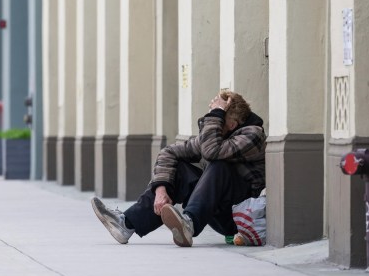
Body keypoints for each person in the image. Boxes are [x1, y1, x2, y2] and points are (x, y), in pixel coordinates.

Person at [91, 89, 266, 247]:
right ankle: (127, 224)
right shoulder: (216, 136)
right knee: (180, 170)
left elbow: (213, 152)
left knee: (219, 166)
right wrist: (161, 189)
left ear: (232, 124)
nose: (214, 121)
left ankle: (188, 223)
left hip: (238, 218)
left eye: (219, 118)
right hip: (216, 206)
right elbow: (169, 153)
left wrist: (215, 113)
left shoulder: (253, 135)